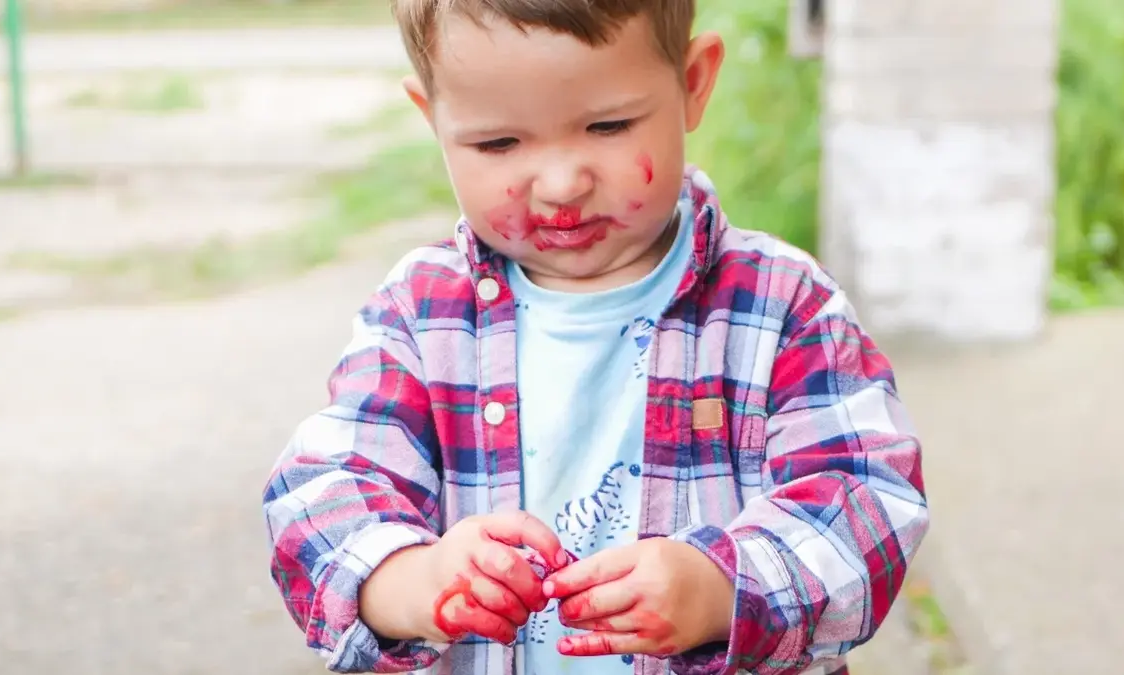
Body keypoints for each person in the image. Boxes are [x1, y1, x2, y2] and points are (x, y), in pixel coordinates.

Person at [261, 1, 929, 674]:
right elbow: (323, 489)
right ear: (433, 119)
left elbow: (865, 497)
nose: (560, 184)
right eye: (498, 143)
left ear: (693, 84)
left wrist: (718, 586)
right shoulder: (421, 314)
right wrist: (411, 579)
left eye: (608, 125)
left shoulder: (782, 305)